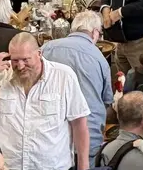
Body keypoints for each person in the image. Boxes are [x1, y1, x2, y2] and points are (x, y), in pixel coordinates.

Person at [0, 32, 92, 170]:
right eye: (15, 60)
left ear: (39, 53)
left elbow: (79, 123)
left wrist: (83, 167)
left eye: (26, 59)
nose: (20, 66)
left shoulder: (63, 76)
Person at [41, 10, 115, 160]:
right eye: (99, 34)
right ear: (94, 32)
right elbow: (107, 100)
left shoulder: (47, 48)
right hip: (88, 137)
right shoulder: (99, 58)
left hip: (50, 135)